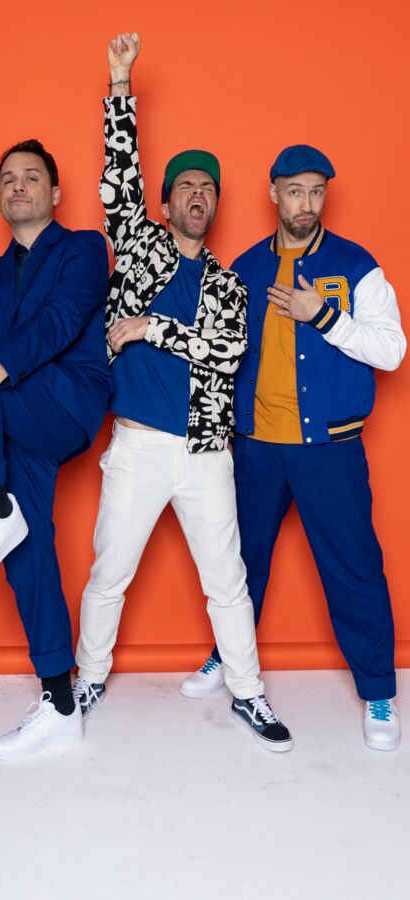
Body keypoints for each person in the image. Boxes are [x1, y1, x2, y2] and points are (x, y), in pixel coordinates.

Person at [72, 33, 292, 752]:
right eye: (186, 188)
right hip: (137, 444)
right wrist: (120, 84)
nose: (198, 196)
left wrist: (150, 328)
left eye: (208, 190)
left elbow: (226, 352)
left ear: (215, 205)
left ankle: (248, 692)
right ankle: (88, 677)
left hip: (204, 451)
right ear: (165, 203)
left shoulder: (229, 285)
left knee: (228, 579)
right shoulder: (138, 246)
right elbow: (119, 172)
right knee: (109, 573)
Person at [182, 144, 406, 751]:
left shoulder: (356, 265)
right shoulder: (245, 268)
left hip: (328, 448)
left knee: (353, 566)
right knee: (238, 561)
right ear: (273, 193)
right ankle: (228, 656)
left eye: (316, 191)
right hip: (255, 447)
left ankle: (378, 689)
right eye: (295, 191)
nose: (306, 203)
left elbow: (392, 351)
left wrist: (325, 316)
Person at [0, 138, 111, 761]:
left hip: (64, 403)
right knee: (28, 550)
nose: (19, 186)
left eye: (32, 177)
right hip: (7, 421)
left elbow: (61, 320)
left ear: (54, 193)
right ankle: (60, 701)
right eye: (8, 178)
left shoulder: (84, 248)